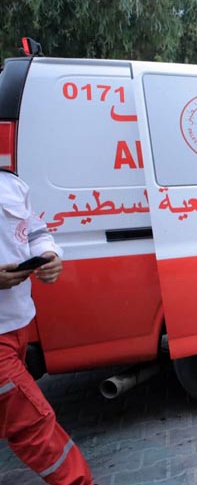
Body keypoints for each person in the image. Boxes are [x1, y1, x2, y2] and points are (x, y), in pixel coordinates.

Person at [0, 170, 95, 485]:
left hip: (17, 321)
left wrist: (49, 256)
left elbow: (34, 231)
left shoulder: (10, 184)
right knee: (33, 422)